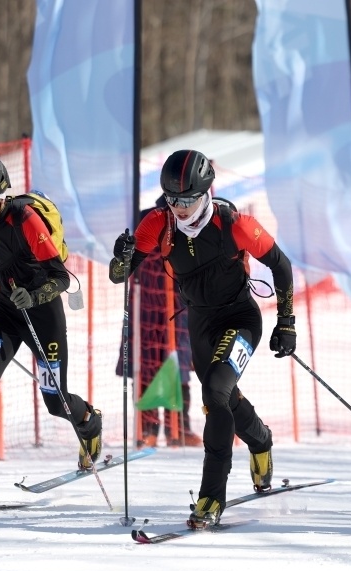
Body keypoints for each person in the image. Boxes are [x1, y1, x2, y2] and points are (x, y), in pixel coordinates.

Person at [108, 149, 296, 528]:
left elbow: (282, 264)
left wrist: (286, 321)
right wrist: (120, 256)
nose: (178, 207)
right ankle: (260, 441)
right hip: (200, 323)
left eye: (187, 199)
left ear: (206, 191)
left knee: (214, 393)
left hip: (241, 318)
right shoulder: (158, 223)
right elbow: (120, 274)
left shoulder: (235, 224)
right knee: (223, 395)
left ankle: (211, 496)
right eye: (172, 199)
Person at [0, 154, 102, 507]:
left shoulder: (24, 219)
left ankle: (89, 423)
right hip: (6, 311)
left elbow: (62, 277)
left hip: (43, 312)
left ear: (0, 194)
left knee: (56, 402)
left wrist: (34, 294)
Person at [116, 199, 201, 448]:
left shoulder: (193, 224)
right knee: (144, 367)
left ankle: (179, 429)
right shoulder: (146, 221)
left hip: (178, 307)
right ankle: (147, 429)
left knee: (179, 366)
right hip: (145, 309)